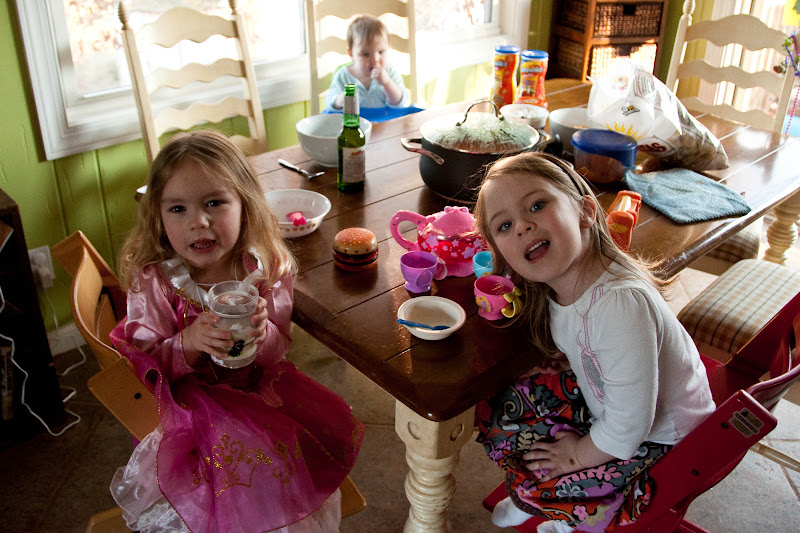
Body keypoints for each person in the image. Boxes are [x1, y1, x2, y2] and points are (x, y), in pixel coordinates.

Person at [108, 130, 365, 533]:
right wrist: (188, 342)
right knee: (256, 462)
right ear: (158, 216)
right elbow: (142, 368)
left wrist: (263, 335)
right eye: (177, 208)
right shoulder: (155, 279)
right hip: (188, 411)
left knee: (291, 452)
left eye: (214, 203)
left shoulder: (263, 268)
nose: (198, 221)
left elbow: (278, 350)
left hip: (257, 388)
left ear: (245, 204)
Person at [472, 152, 715, 533]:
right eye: (504, 225)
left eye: (537, 205)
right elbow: (590, 340)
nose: (522, 226)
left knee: (560, 468)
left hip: (665, 438)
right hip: (616, 403)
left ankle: (562, 514)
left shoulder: (619, 305)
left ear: (585, 212)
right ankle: (540, 497)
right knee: (508, 399)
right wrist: (570, 358)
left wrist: (574, 457)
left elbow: (629, 427)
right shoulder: (561, 286)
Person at [324, 14, 410, 111]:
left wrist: (387, 83)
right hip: (356, 120)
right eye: (366, 54)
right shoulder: (343, 75)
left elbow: (399, 103)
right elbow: (330, 104)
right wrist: (340, 100)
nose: (375, 59)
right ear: (351, 54)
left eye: (381, 52)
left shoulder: (390, 72)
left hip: (387, 119)